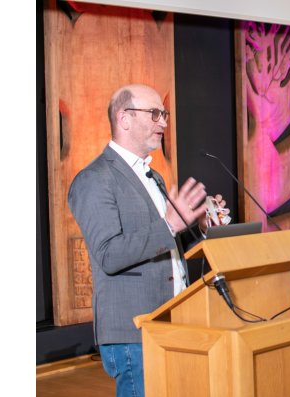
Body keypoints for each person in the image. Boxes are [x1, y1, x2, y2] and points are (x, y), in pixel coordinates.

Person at [68, 84, 224, 397]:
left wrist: (203, 226)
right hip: (134, 330)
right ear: (124, 118)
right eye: (154, 114)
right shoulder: (94, 179)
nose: (164, 122)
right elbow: (109, 254)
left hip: (174, 319)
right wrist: (169, 223)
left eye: (163, 114)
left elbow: (167, 246)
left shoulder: (155, 178)